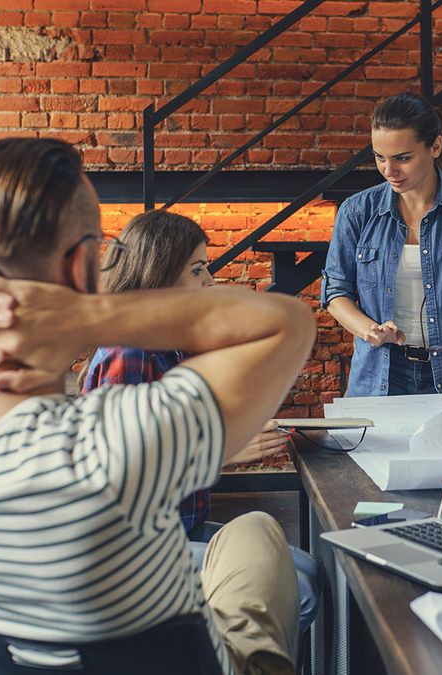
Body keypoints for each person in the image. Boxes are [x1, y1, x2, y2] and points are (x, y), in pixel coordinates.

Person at [0, 137, 316, 675]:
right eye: (106, 250)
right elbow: (286, 321)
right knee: (259, 533)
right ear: (81, 268)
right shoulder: (113, 447)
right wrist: (90, 314)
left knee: (249, 532)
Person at [79, 208, 321, 632]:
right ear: (159, 275)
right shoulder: (131, 352)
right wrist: (224, 453)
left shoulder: (169, 346)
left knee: (308, 568)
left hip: (177, 530)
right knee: (297, 592)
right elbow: (124, 474)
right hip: (131, 550)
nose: (210, 281)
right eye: (198, 269)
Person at [321, 92, 442, 397]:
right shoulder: (356, 211)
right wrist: (368, 330)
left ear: (435, 146)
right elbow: (336, 291)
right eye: (379, 157)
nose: (389, 170)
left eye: (403, 158)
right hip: (379, 376)